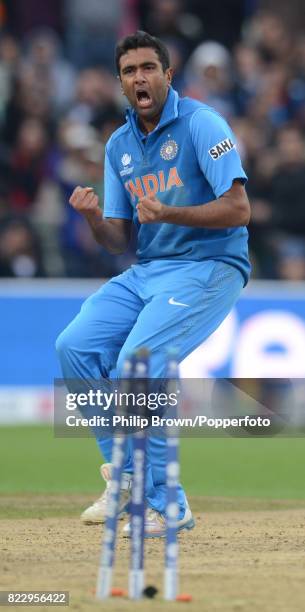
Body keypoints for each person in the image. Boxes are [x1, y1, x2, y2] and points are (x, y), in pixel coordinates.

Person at [56, 31, 251, 537]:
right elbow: (118, 240)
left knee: (137, 363)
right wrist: (96, 217)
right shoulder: (119, 145)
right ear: (121, 83)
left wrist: (171, 211)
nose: (139, 78)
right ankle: (123, 477)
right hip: (149, 270)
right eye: (129, 71)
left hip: (210, 265)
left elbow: (239, 208)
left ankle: (169, 500)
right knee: (74, 346)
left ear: (167, 74)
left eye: (148, 67)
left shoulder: (202, 124)